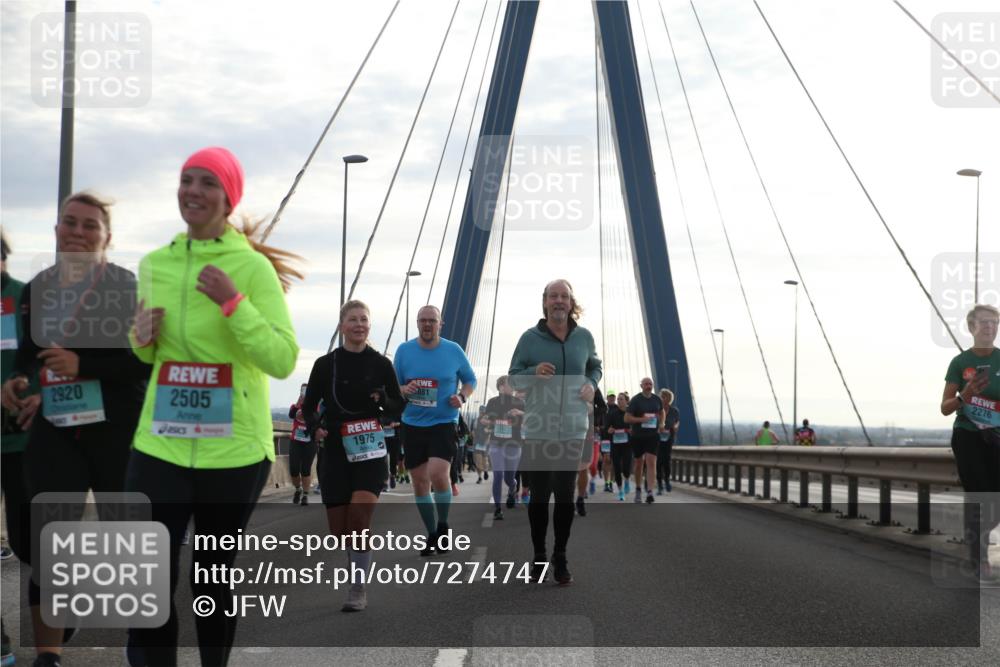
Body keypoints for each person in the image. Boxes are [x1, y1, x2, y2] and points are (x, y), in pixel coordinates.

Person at [125, 147, 300, 666]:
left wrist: (234, 304)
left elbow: (283, 358)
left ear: (228, 197)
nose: (192, 191)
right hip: (161, 442)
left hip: (234, 451)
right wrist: (140, 338)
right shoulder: (154, 263)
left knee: (211, 577)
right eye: (186, 180)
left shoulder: (250, 269)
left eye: (206, 183)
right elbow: (149, 352)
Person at [1, 192, 152, 667]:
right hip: (56, 430)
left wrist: (82, 363)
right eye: (70, 222)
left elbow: (141, 364)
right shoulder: (39, 288)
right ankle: (49, 654)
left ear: (107, 237)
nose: (78, 232)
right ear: (56, 229)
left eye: (90, 225)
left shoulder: (126, 288)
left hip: (116, 429)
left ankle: (141, 645)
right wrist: (19, 381)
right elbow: (29, 353)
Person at [301, 300, 403, 611]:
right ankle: (355, 564)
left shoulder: (382, 364)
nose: (359, 324)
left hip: (370, 450)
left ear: (369, 326)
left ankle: (357, 589)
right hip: (334, 448)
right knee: (339, 529)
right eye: (353, 319)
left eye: (364, 320)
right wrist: (316, 426)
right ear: (342, 325)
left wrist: (385, 401)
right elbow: (308, 406)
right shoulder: (325, 364)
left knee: (359, 519)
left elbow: (399, 406)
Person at [508, 279, 601, 585]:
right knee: (539, 497)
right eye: (553, 296)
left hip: (574, 429)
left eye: (564, 296)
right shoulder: (529, 339)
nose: (559, 301)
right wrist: (532, 373)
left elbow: (595, 366)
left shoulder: (584, 337)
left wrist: (592, 384)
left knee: (564, 496)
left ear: (571, 302)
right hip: (538, 428)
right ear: (545, 302)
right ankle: (538, 556)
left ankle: (560, 556)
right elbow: (513, 379)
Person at [393, 305, 476, 556]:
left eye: (432, 320)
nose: (427, 325)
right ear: (417, 323)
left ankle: (443, 525)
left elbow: (470, 380)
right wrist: (402, 390)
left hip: (444, 421)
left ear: (441, 324)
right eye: (423, 320)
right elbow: (393, 384)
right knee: (419, 481)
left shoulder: (453, 350)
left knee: (439, 473)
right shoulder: (404, 351)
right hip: (413, 423)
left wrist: (461, 395)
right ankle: (431, 534)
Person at [940, 304, 1000, 580]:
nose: (990, 327)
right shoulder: (960, 363)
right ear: (971, 327)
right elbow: (945, 407)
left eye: (995, 322)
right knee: (981, 496)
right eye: (984, 323)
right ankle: (979, 560)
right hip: (968, 437)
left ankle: (976, 540)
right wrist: (965, 395)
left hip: (997, 438)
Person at [483, 376, 525, 520]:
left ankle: (512, 488)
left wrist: (520, 413)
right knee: (498, 474)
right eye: (509, 384)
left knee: (509, 477)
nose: (512, 386)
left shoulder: (520, 402)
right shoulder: (492, 402)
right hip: (497, 443)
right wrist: (491, 421)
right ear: (501, 387)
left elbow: (531, 418)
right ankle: (497, 508)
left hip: (514, 444)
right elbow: (484, 419)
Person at [626, 377, 663, 504]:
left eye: (650, 384)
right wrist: (641, 420)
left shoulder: (657, 399)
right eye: (646, 384)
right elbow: (627, 418)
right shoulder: (636, 400)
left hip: (652, 436)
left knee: (651, 462)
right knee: (639, 464)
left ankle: (650, 492)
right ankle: (638, 489)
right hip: (638, 436)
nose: (649, 386)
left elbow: (662, 411)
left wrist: (662, 423)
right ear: (641, 385)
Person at [288, 383, 316, 505]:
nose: (304, 393)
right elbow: (291, 414)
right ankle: (298, 489)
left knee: (305, 469)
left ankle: (305, 495)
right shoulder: (296, 405)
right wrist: (299, 402)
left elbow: (318, 417)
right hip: (296, 441)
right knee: (294, 469)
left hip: (310, 441)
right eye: (302, 391)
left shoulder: (315, 406)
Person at [607, 392, 632, 501]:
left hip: (627, 444)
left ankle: (626, 479)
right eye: (618, 399)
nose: (619, 401)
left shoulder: (631, 413)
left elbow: (636, 426)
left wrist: (632, 430)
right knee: (617, 467)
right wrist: (610, 430)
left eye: (621, 399)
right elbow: (607, 428)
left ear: (627, 401)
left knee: (626, 468)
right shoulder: (612, 413)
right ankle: (621, 491)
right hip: (615, 444)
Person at [657, 388, 680, 494]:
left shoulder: (674, 411)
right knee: (658, 461)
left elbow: (677, 421)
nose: (662, 398)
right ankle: (659, 485)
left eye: (664, 396)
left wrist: (675, 426)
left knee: (666, 460)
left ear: (668, 398)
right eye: (661, 396)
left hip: (669, 438)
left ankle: (667, 480)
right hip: (657, 439)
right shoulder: (656, 410)